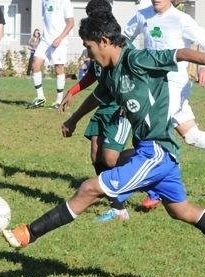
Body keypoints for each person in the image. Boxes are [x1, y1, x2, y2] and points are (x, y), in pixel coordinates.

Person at [3, 11, 205, 277]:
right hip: (155, 153)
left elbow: (181, 53)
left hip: (156, 151)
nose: (89, 55)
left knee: (90, 188)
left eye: (89, 48)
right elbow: (98, 96)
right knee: (181, 210)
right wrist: (73, 119)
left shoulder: (137, 59)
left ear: (103, 41)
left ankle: (28, 233)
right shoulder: (113, 75)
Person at [123, 0, 205, 210]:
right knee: (192, 136)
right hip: (152, 84)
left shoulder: (181, 19)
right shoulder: (142, 15)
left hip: (175, 83)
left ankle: (156, 190)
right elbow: (123, 38)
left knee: (156, 128)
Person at [59, 0, 132, 222]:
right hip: (103, 106)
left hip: (120, 109)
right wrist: (73, 91)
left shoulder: (121, 52)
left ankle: (153, 165)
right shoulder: (96, 49)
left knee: (110, 160)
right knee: (96, 155)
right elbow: (93, 77)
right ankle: (118, 206)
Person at [26, 0, 74, 109]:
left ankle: (58, 101)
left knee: (59, 68)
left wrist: (60, 38)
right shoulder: (44, 1)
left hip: (59, 40)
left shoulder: (65, 2)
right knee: (35, 64)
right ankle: (40, 97)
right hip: (45, 40)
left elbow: (71, 22)